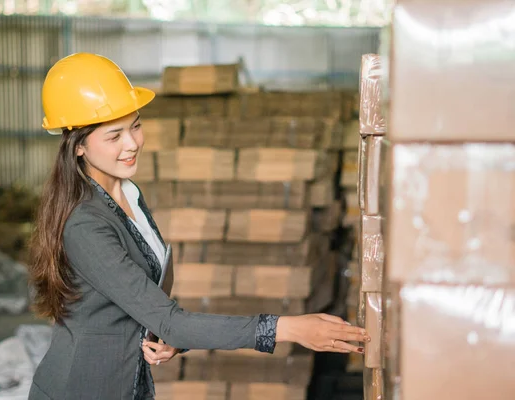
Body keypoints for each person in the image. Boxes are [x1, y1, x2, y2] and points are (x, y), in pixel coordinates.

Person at [26, 52, 370, 400]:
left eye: (136, 126)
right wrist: (288, 328)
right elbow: (169, 318)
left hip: (127, 383)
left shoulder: (127, 193)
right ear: (79, 145)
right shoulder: (85, 224)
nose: (132, 144)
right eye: (114, 136)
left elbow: (148, 306)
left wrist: (168, 336)